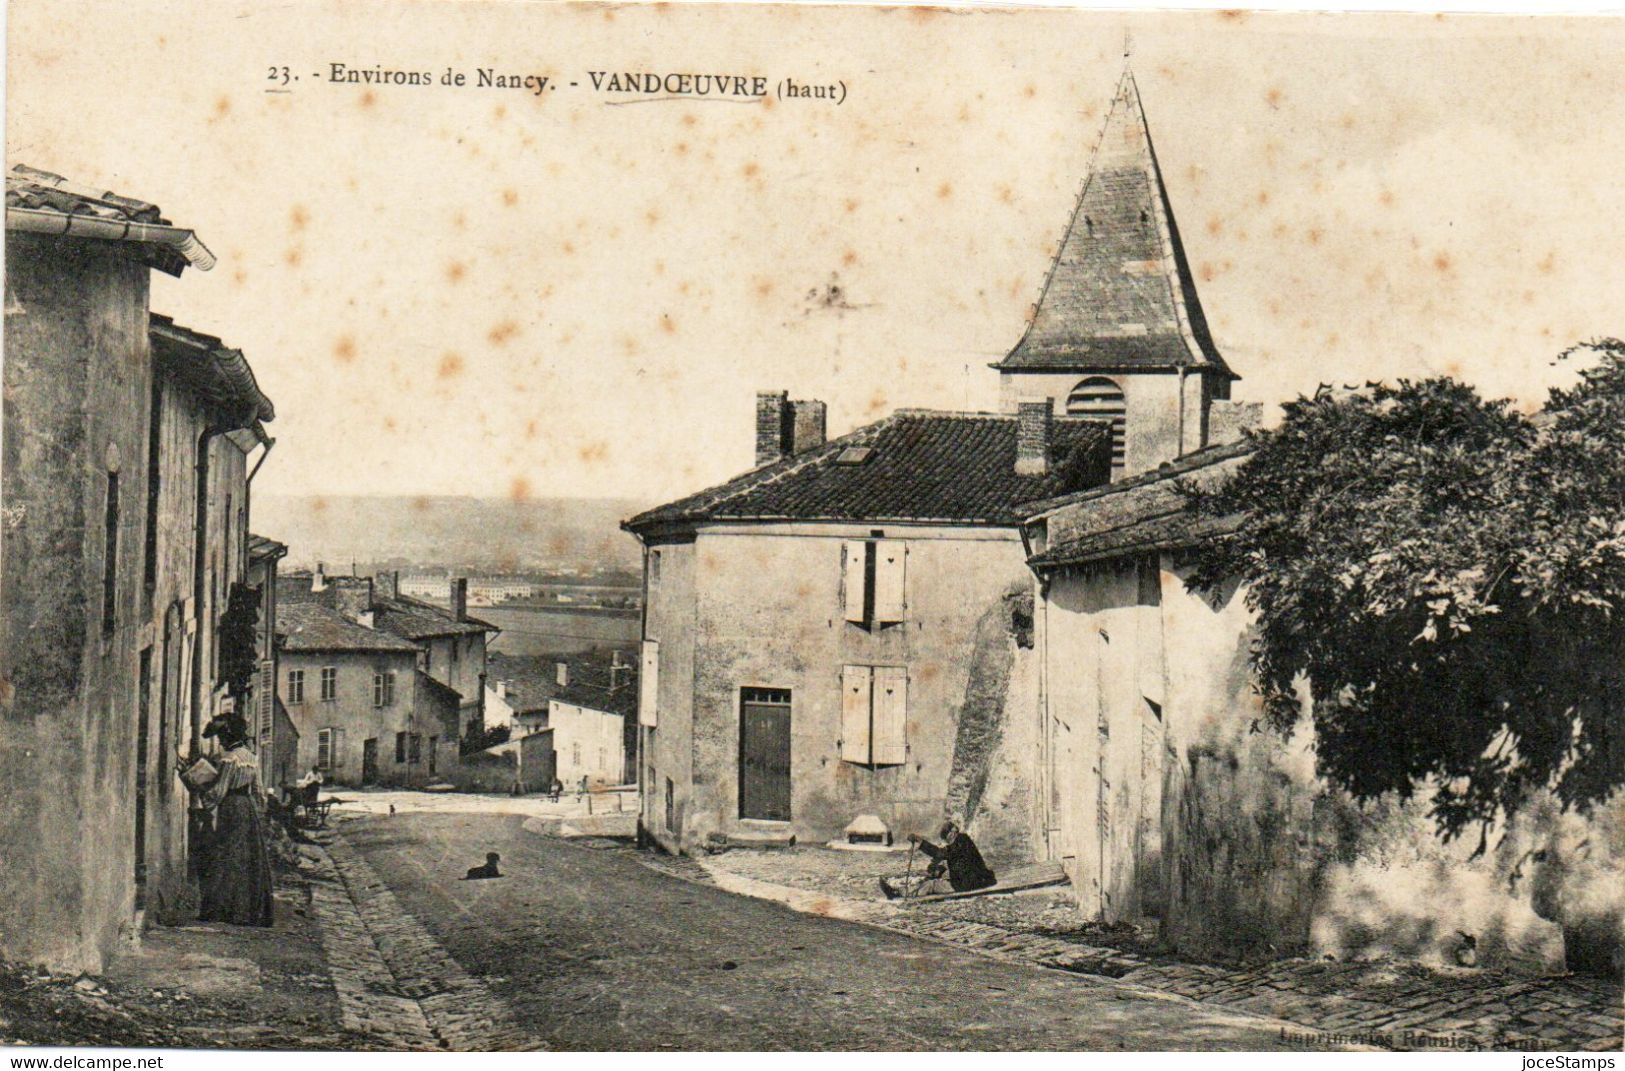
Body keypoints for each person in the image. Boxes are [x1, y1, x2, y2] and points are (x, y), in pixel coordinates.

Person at [189, 711, 275, 927]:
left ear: (228, 736)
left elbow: (219, 790)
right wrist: (259, 812)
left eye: (220, 737)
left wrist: (199, 790)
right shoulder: (251, 757)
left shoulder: (230, 759)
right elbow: (258, 790)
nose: (219, 741)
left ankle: (225, 909)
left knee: (225, 854)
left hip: (231, 808)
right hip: (248, 808)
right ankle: (247, 910)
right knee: (246, 856)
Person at [879, 820, 996, 900]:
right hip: (973, 880)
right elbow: (947, 859)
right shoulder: (961, 843)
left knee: (931, 885)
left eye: (948, 837)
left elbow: (940, 853)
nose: (947, 841)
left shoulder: (961, 840)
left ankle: (900, 894)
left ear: (953, 832)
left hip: (968, 883)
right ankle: (902, 891)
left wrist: (921, 842)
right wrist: (936, 870)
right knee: (931, 881)